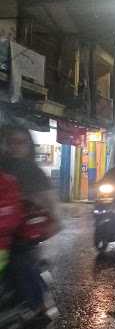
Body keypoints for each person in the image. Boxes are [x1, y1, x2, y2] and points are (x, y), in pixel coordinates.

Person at [0, 125, 59, 312]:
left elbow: (50, 203)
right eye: (11, 142)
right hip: (3, 230)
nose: (16, 147)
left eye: (21, 142)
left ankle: (40, 306)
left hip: (21, 234)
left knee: (19, 262)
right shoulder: (3, 166)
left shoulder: (33, 172)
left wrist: (54, 220)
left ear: (29, 146)